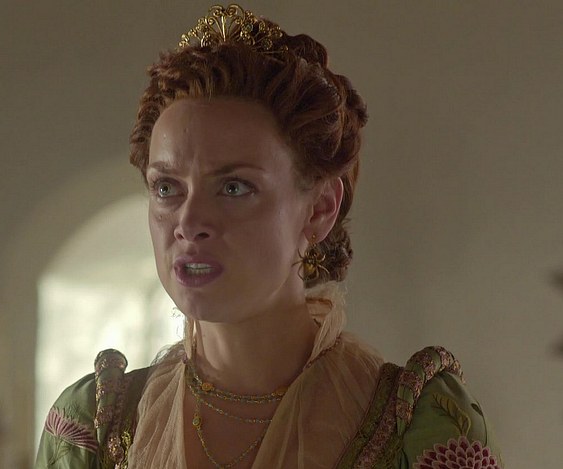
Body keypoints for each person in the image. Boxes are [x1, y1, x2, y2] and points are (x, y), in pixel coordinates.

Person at [36, 4, 502, 468]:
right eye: (166, 188)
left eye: (234, 188)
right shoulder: (94, 427)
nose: (189, 221)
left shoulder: (421, 426)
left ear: (320, 208)